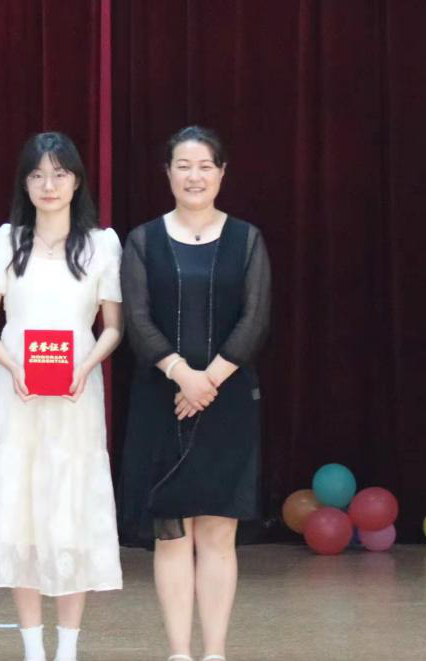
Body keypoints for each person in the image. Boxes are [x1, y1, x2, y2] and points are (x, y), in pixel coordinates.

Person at [0, 132, 124, 661]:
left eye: (59, 174)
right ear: (24, 184)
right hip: (17, 393)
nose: (48, 185)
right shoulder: (6, 241)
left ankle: (68, 649)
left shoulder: (102, 244)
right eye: (37, 175)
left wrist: (87, 365)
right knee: (20, 512)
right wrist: (12, 365)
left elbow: (113, 326)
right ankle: (32, 648)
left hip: (76, 392)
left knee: (70, 512)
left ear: (77, 181)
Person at [118, 126, 272, 661]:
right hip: (161, 400)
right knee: (172, 535)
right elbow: (137, 320)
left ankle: (215, 652)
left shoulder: (247, 239)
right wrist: (182, 374)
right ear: (167, 173)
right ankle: (179, 652)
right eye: (183, 166)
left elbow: (256, 318)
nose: (194, 176)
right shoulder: (142, 240)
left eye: (205, 166)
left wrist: (208, 380)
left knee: (218, 534)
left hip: (229, 401)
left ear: (222, 173)